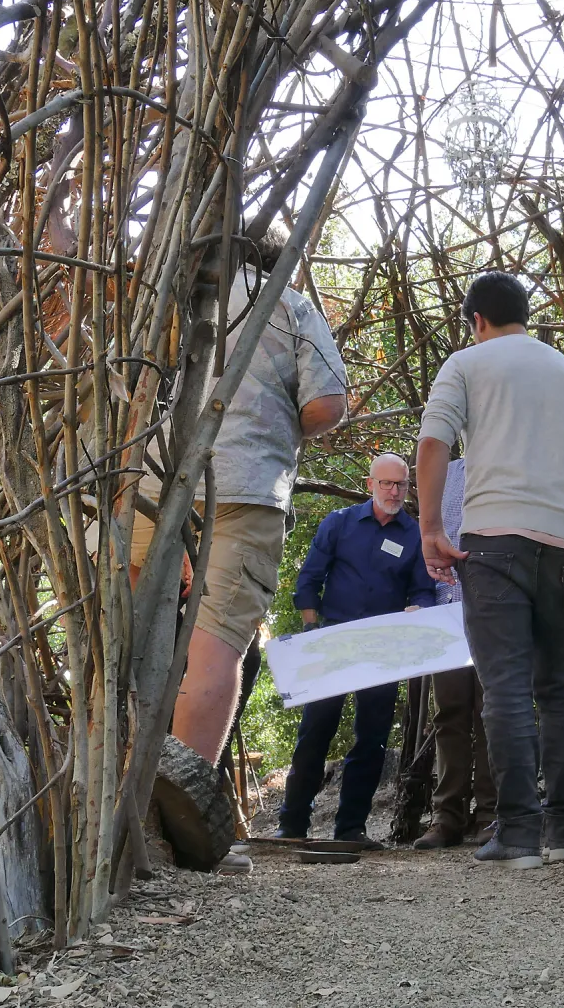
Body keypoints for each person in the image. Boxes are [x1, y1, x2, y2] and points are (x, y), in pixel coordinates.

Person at [417, 270, 564, 870]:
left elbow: (434, 442)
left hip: (493, 543)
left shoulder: (466, 364)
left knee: (504, 689)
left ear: (476, 320)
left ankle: (520, 834)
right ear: (525, 315)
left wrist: (430, 529)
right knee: (562, 690)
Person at [131, 232, 348, 766]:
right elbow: (328, 403)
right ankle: (179, 818)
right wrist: (275, 424)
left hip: (145, 482)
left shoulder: (160, 297)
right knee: (216, 645)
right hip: (244, 486)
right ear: (273, 260)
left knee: (124, 639)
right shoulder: (286, 304)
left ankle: (107, 799)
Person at [275, 454, 438, 847]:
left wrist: (419, 607)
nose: (394, 491)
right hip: (332, 641)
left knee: (373, 739)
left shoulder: (414, 534)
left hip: (384, 648)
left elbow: (423, 588)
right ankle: (292, 825)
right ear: (370, 485)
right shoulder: (340, 523)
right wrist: (312, 629)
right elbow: (310, 579)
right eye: (386, 484)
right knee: (315, 732)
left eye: (401, 485)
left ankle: (351, 828)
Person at [416, 457, 498, 850]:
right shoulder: (442, 472)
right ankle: (446, 818)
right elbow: (425, 541)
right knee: (447, 716)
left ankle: (491, 815)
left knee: (492, 713)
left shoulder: (507, 463)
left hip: (494, 610)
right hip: (445, 615)